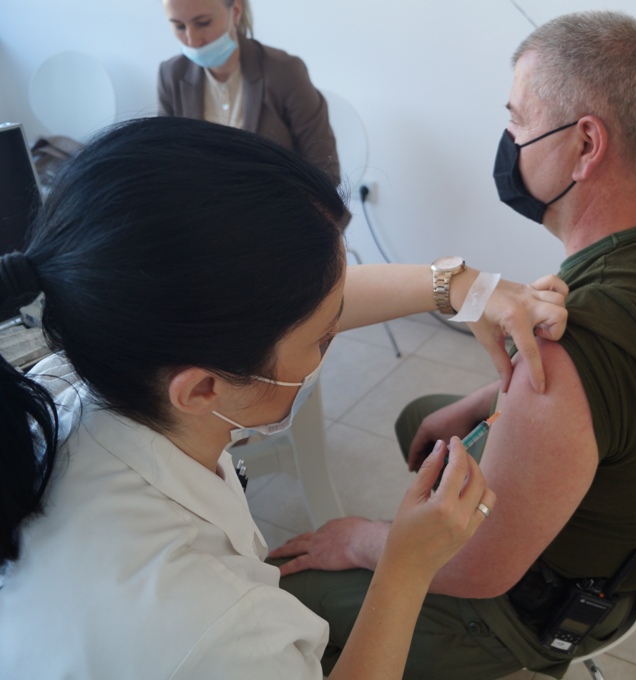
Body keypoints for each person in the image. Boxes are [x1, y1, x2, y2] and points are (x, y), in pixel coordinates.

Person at [0, 116, 569, 678]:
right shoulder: (217, 627)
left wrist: (459, 286)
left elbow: (304, 302)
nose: (334, 335)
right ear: (202, 388)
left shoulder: (89, 365)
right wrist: (405, 566)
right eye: (323, 338)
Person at [270, 10, 636, 680]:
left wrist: (362, 541)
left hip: (529, 610)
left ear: (585, 144)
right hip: (629, 527)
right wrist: (485, 400)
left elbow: (477, 569)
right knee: (424, 419)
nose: (509, 140)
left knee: (287, 599)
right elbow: (625, 388)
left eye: (518, 120)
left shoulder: (574, 350)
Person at [158, 0, 341, 186]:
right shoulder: (171, 76)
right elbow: (166, 166)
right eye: (179, 26)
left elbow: (325, 174)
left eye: (203, 23)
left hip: (278, 202)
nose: (192, 40)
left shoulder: (285, 73)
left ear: (236, 11)